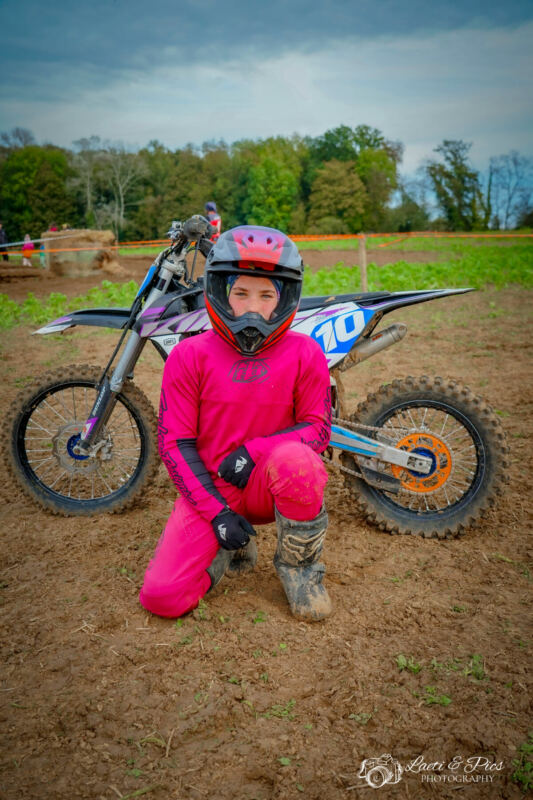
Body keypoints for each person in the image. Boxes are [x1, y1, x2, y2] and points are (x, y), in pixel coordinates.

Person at [139, 225, 333, 622]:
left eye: (266, 295)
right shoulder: (188, 356)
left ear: (284, 298)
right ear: (220, 292)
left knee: (299, 462)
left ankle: (300, 570)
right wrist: (217, 514)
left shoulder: (306, 353)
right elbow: (174, 445)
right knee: (162, 598)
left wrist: (254, 451)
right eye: (240, 293)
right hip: (210, 491)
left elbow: (318, 429)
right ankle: (226, 548)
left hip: (269, 483)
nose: (252, 307)